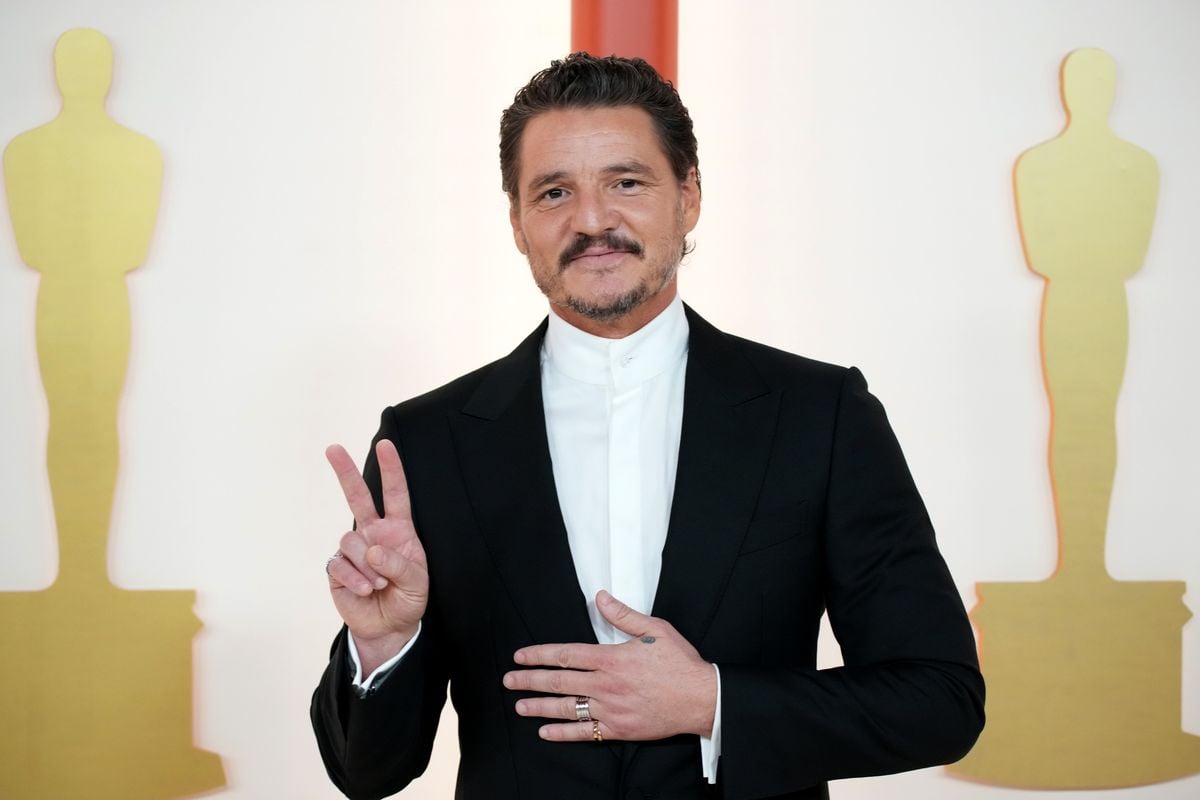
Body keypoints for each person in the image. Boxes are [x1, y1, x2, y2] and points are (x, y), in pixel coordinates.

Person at [311, 53, 984, 800]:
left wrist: (713, 704)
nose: (592, 220)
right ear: (516, 222)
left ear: (688, 197)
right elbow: (366, 773)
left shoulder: (821, 415)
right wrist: (383, 644)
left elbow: (940, 702)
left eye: (626, 182)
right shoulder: (424, 443)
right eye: (554, 191)